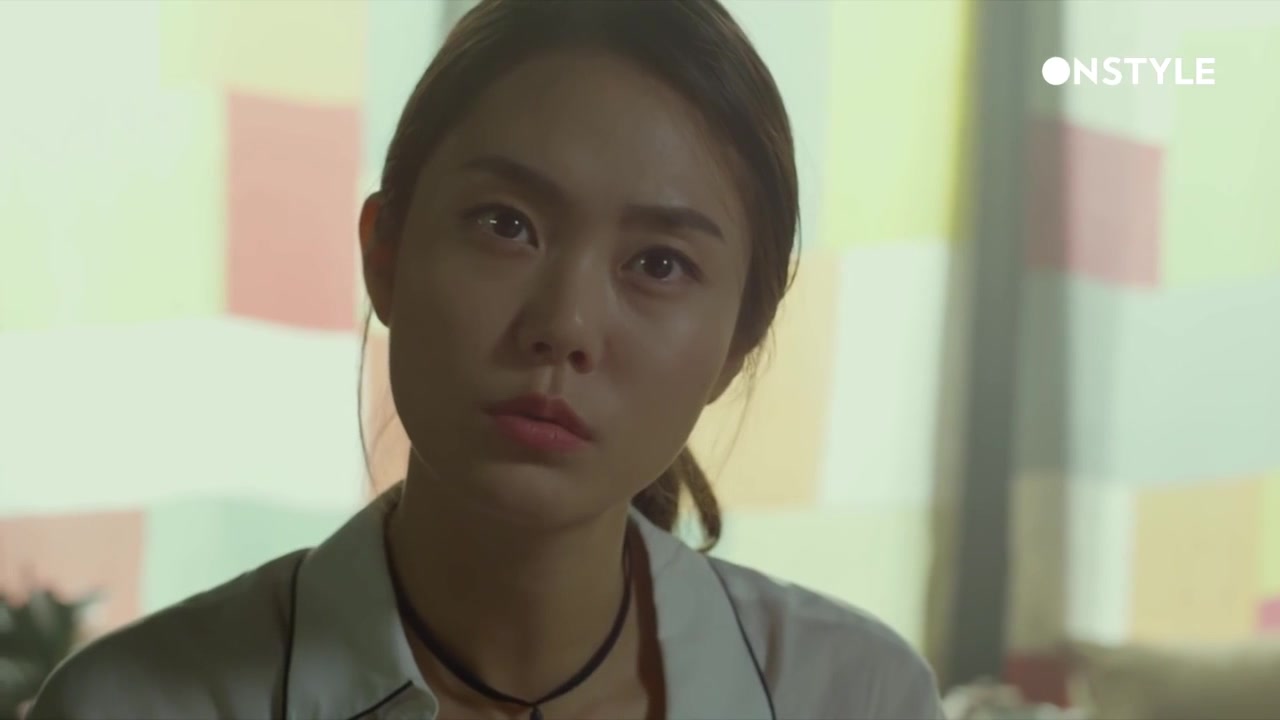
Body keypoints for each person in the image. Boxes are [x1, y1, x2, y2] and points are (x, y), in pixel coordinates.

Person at [29, 1, 945, 718]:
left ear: (739, 344)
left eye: (659, 264)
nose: (565, 326)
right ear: (384, 252)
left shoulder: (856, 695)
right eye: (506, 224)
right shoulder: (136, 704)